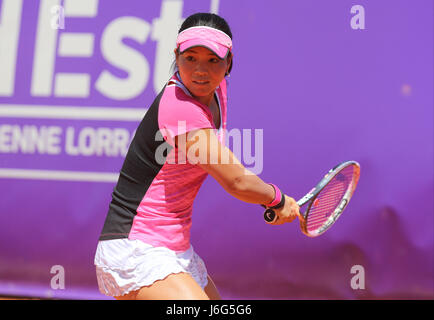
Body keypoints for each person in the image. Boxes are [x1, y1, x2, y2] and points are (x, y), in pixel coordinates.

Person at [94, 12, 300, 300]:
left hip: (175, 249)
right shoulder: (180, 107)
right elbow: (237, 181)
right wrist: (276, 198)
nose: (200, 70)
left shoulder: (217, 89)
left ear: (229, 62)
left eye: (212, 60)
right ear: (176, 57)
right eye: (190, 58)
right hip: (135, 248)